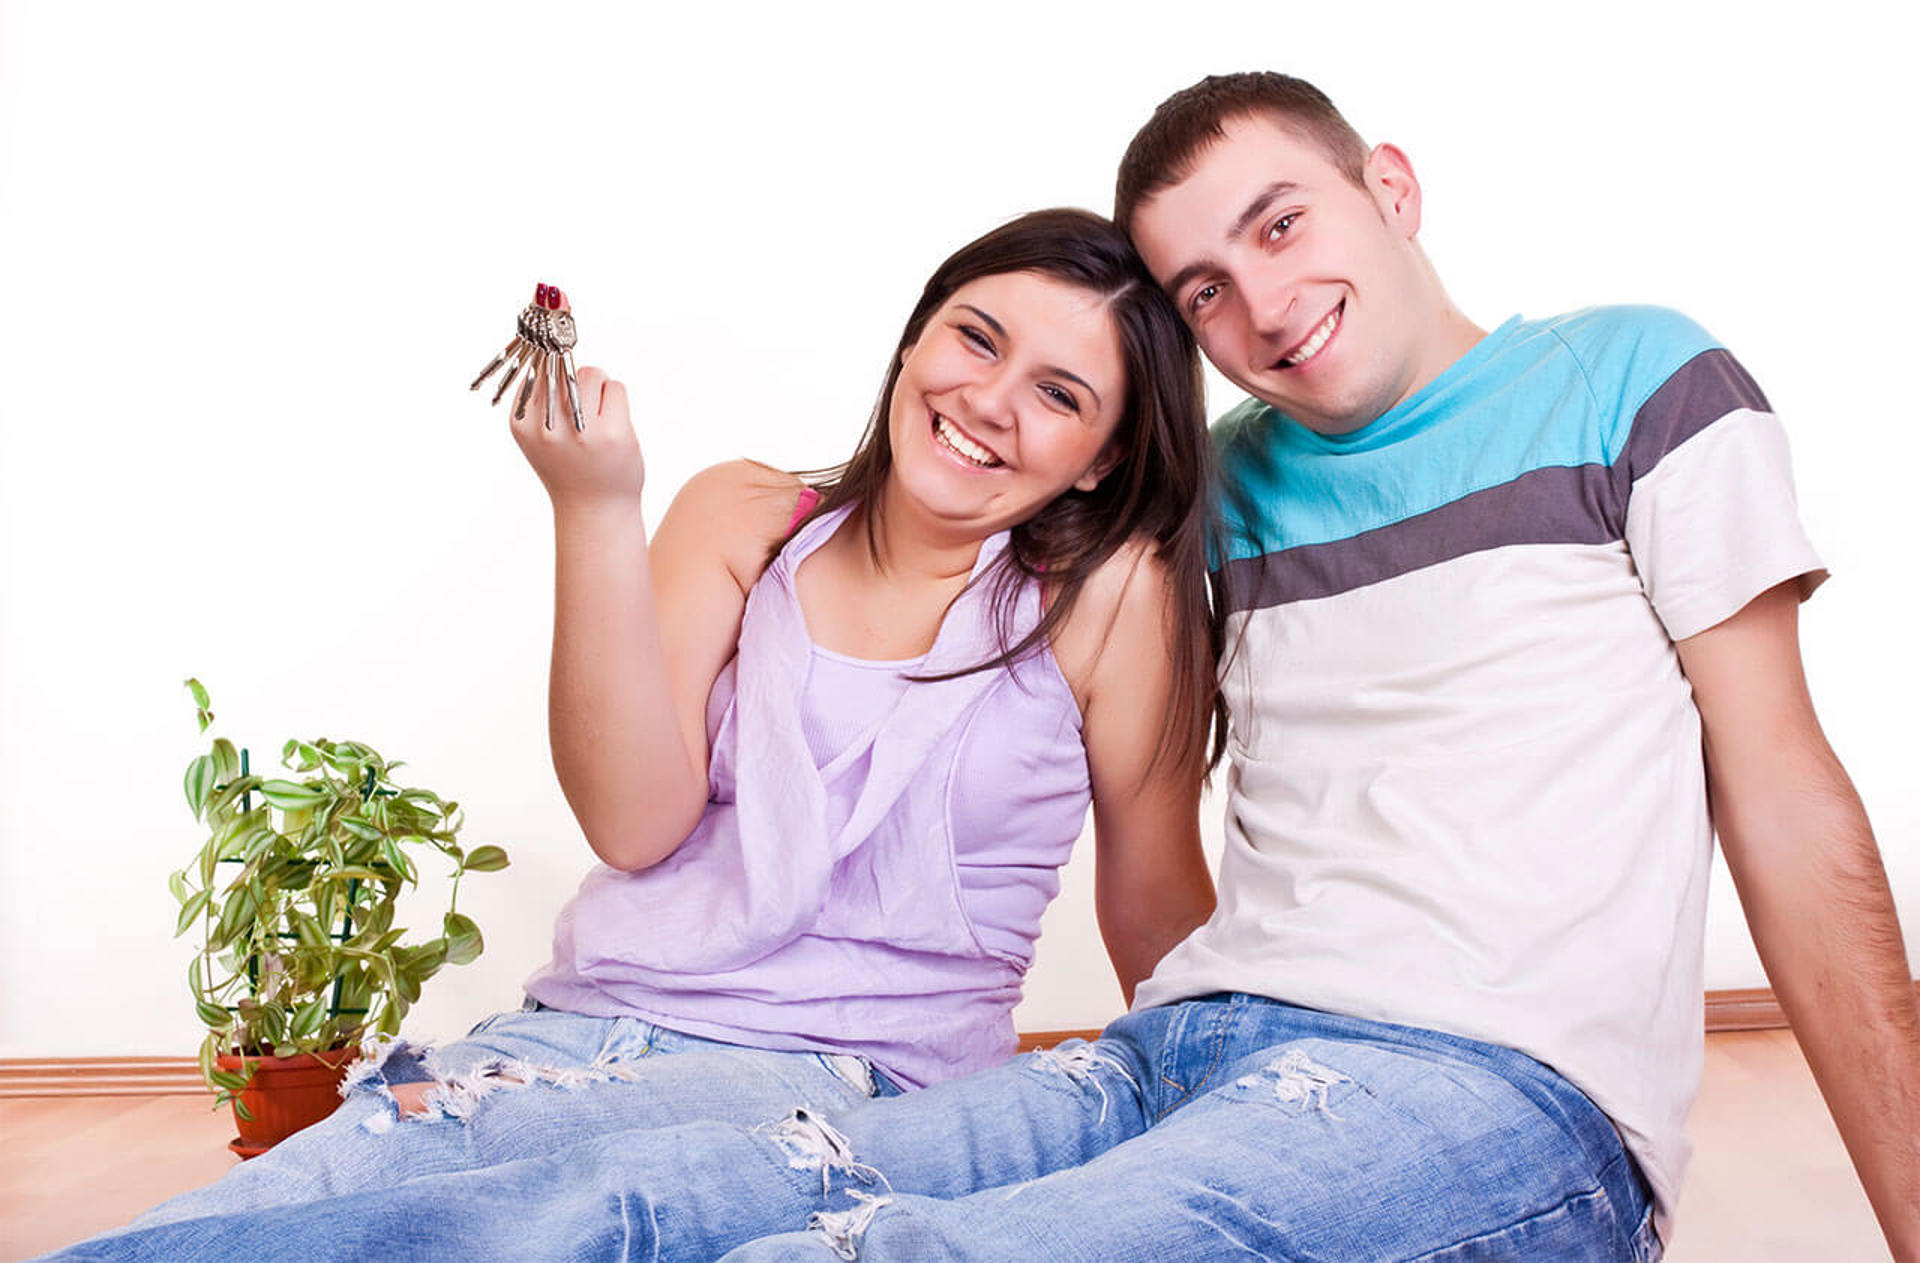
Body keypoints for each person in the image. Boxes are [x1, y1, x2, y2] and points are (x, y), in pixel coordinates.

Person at [57, 74, 1919, 1263]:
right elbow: (1163, 883)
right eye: (1203, 288)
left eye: (1282, 225)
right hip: (1177, 1046)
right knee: (618, 1201)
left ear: (1392, 185)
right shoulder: (1217, 501)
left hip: (1466, 1077)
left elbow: (1781, 788)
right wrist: (604, 510)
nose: (1259, 304)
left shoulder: (1626, 384)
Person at [41, 207, 1223, 1258]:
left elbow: (1158, 902)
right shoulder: (748, 514)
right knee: (360, 1165)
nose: (989, 401)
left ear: (1104, 456)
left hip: (853, 1083)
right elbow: (635, 822)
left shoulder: (1105, 599)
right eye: (977, 338)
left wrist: (1208, 1121)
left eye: (1061, 395)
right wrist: (594, 506)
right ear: (915, 338)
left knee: (594, 1204)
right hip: (582, 1032)